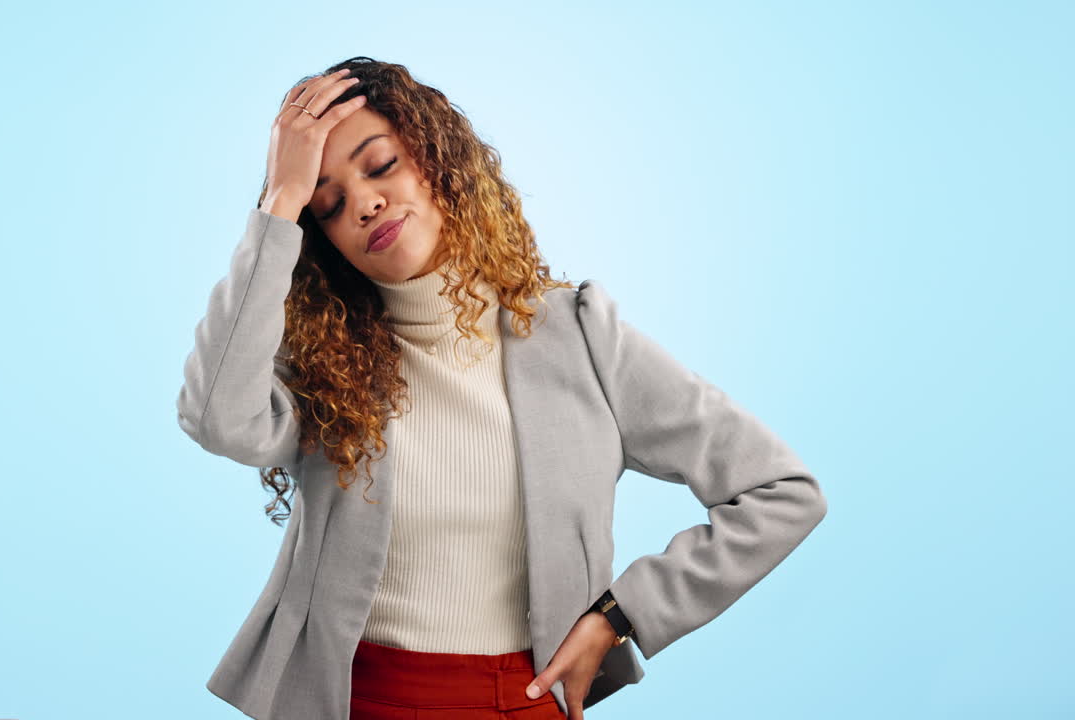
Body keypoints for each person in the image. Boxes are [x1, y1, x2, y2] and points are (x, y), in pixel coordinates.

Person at [176, 56, 828, 720]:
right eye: (329, 205)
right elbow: (216, 418)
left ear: (436, 161)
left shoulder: (583, 338)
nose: (365, 204)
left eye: (381, 166)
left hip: (525, 700)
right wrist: (279, 203)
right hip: (350, 700)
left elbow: (781, 492)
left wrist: (621, 614)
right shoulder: (326, 366)